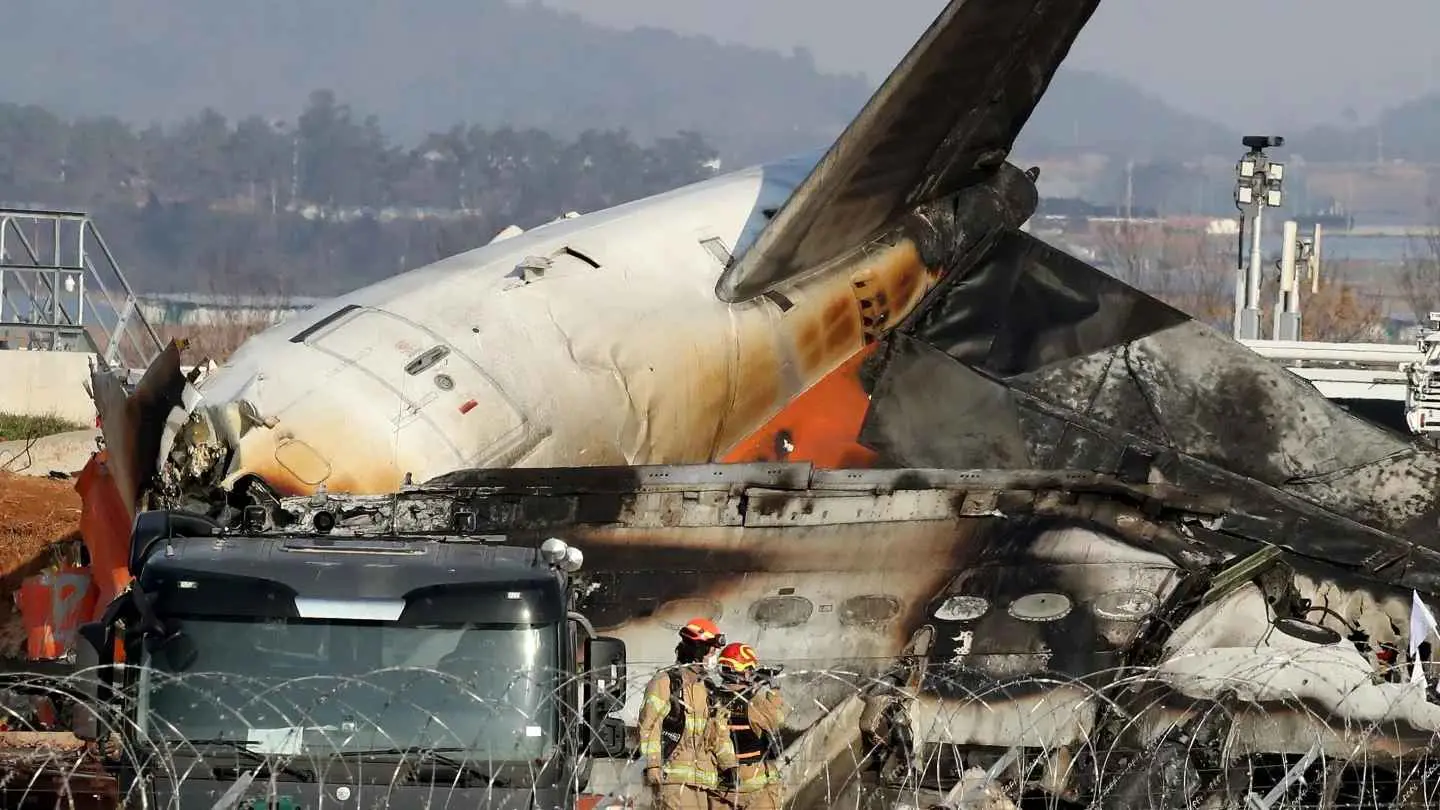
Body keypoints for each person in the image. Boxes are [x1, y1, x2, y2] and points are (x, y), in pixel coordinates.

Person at [638, 618, 738, 810]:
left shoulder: (708, 689)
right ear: (697, 650)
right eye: (711, 651)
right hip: (674, 780)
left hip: (705, 781)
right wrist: (653, 764)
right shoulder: (666, 682)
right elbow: (650, 726)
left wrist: (729, 765)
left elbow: (720, 732)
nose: (714, 657)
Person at [712, 642, 787, 810]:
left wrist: (752, 687)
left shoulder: (711, 699)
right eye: (750, 670)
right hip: (753, 784)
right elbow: (777, 719)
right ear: (744, 671)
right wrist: (774, 689)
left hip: (721, 784)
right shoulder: (754, 704)